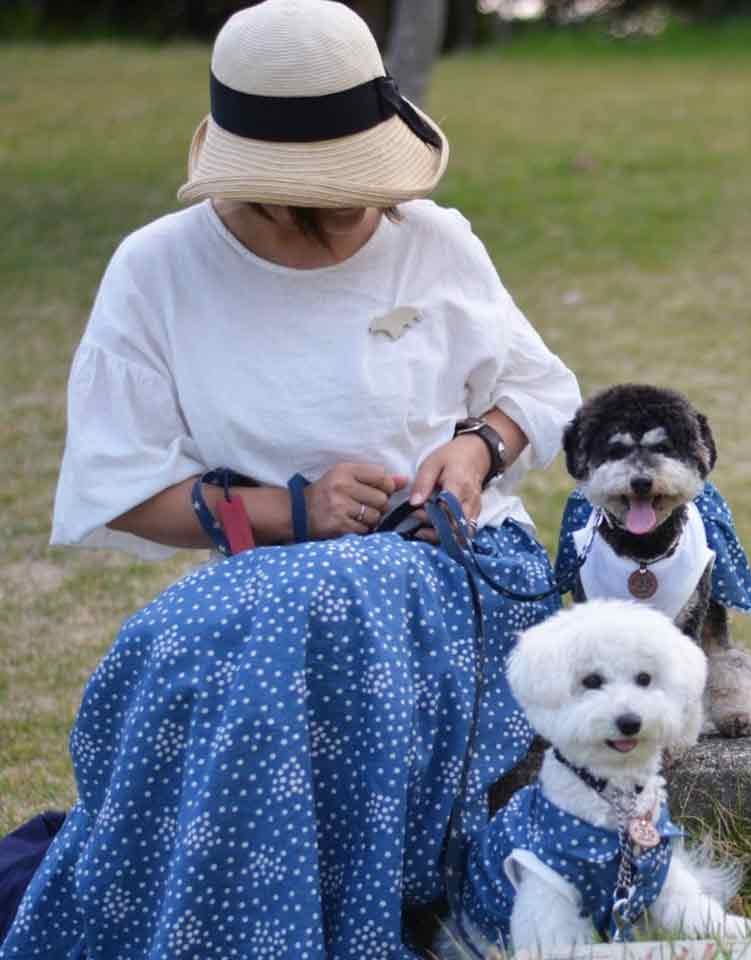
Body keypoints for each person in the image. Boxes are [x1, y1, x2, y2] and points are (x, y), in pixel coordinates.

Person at [0, 1, 581, 957]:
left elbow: (544, 393)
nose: (364, 206)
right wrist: (286, 509)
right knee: (179, 637)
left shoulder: (434, 240)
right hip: (263, 587)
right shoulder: (157, 271)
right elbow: (113, 485)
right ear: (261, 184)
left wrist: (475, 449)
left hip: (450, 573)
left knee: (273, 623)